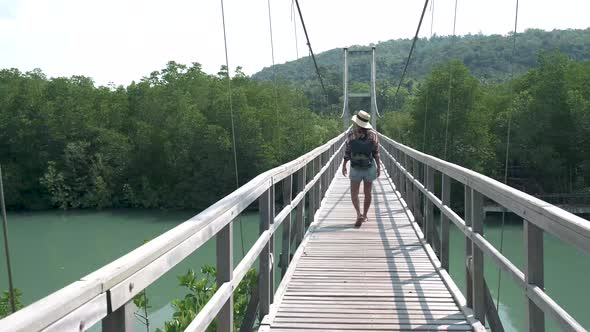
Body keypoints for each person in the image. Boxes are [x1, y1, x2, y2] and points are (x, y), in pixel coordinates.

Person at [342, 110, 381, 227]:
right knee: (367, 192)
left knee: (354, 193)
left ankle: (358, 214)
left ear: (356, 122)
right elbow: (376, 153)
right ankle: (365, 215)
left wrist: (344, 165)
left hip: (355, 167)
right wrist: (379, 167)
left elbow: (348, 152)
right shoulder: (373, 135)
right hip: (369, 167)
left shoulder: (351, 134)